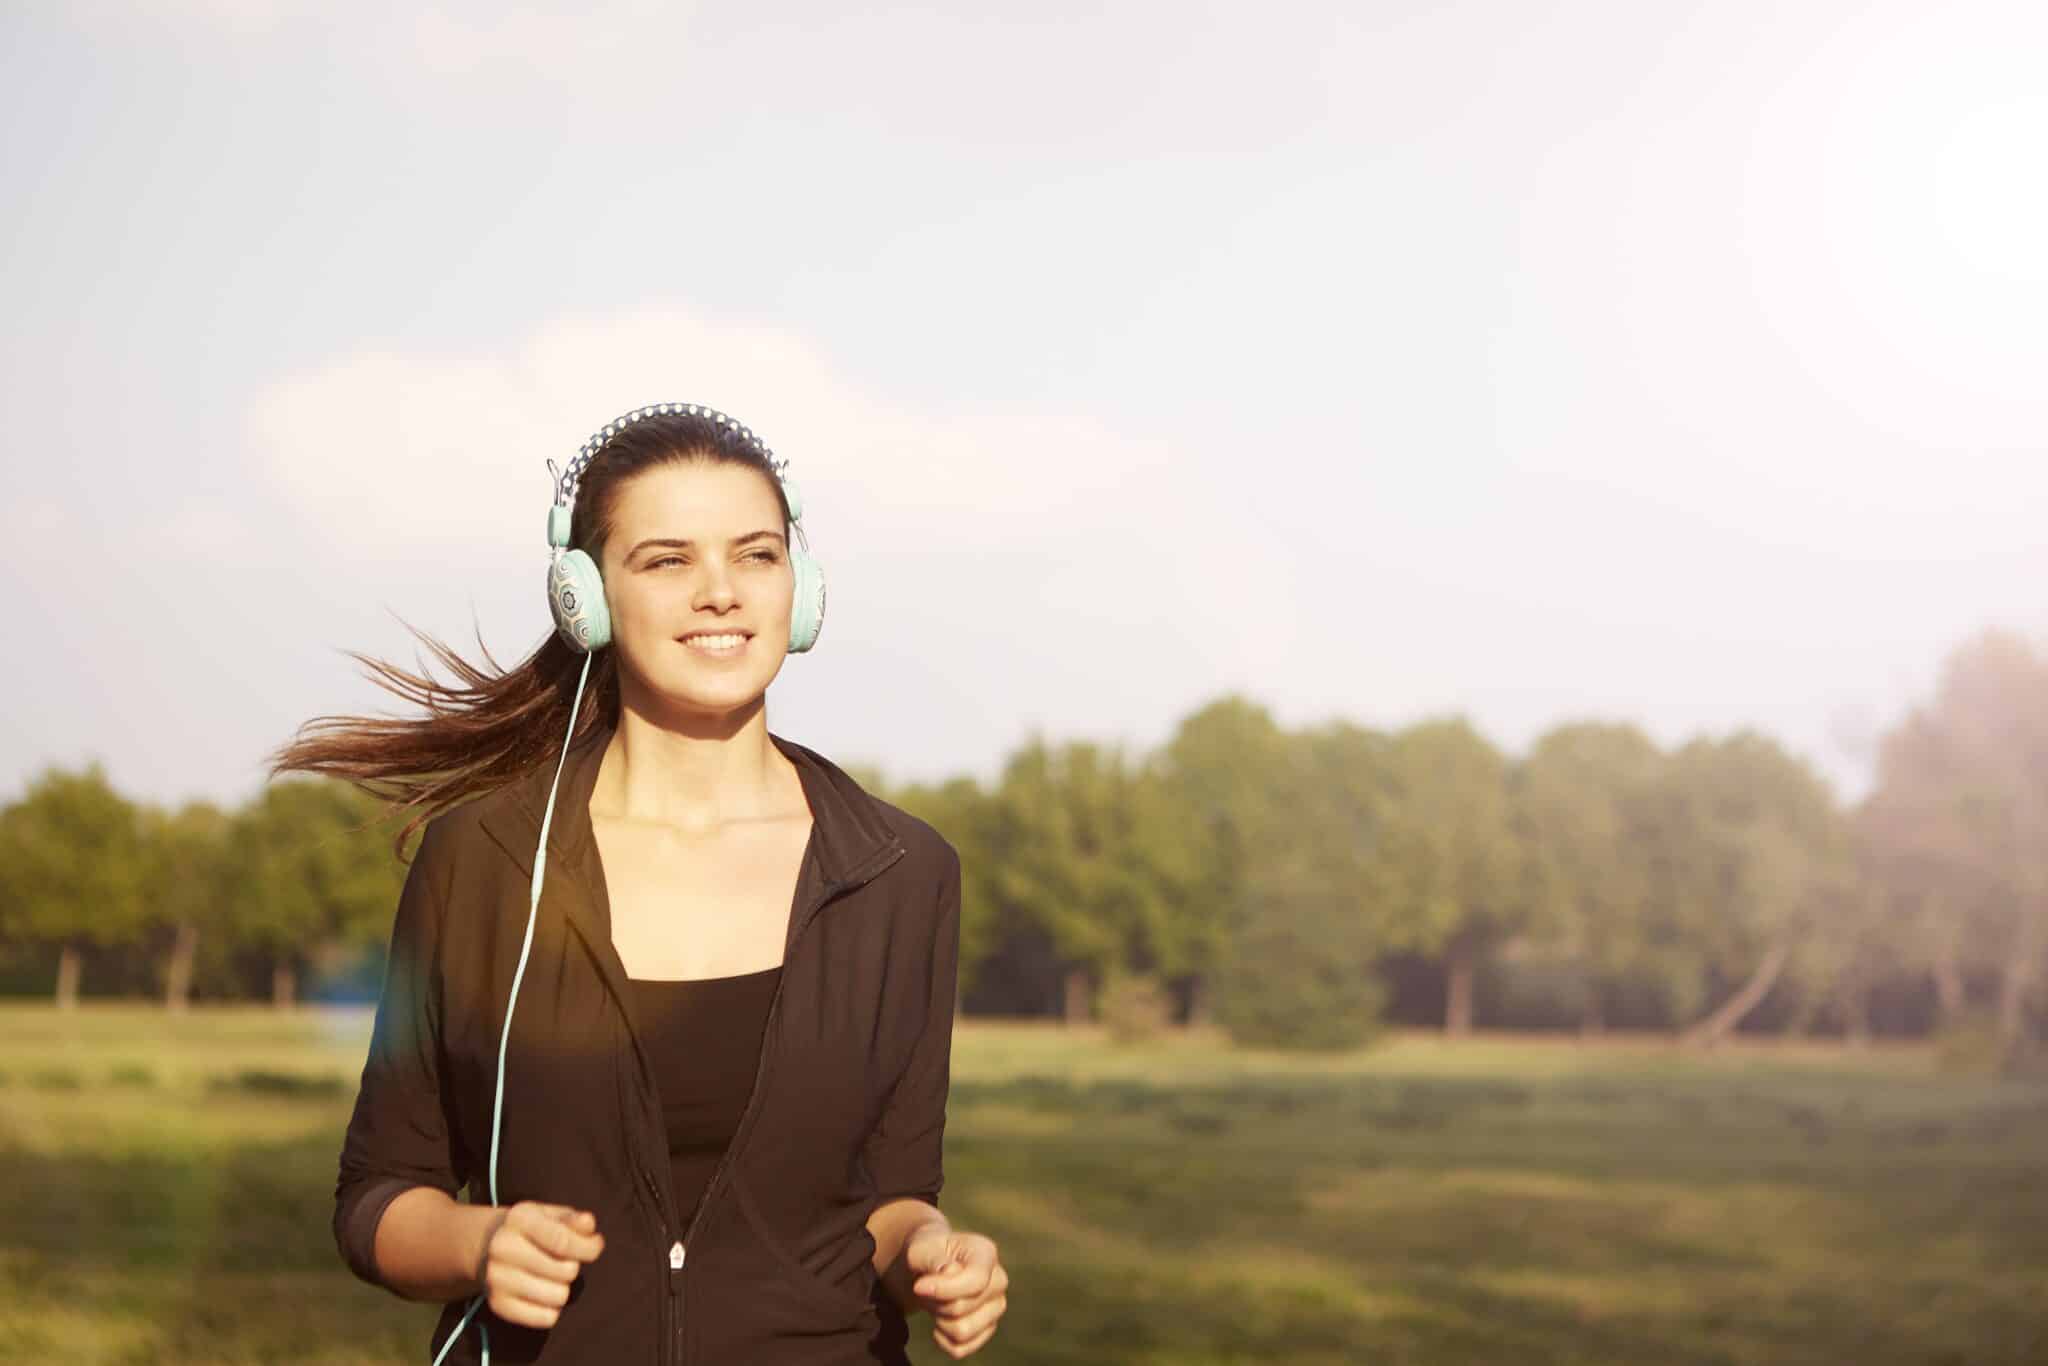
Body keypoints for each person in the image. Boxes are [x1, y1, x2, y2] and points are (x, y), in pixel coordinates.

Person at [273, 404, 1010, 1364]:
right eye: (667, 560)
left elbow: (889, 1200)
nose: (721, 593)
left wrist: (933, 1256)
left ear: (804, 587)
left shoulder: (905, 871)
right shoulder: (489, 861)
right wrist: (483, 1241)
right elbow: (380, 1193)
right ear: (583, 597)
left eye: (755, 555)